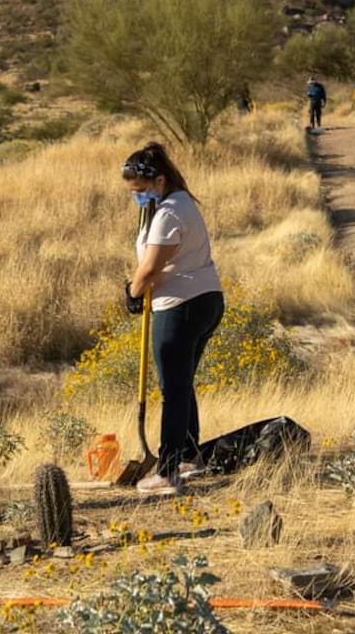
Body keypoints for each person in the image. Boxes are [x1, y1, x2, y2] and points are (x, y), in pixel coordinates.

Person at [122, 142, 224, 496]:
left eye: (140, 190)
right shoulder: (178, 203)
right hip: (205, 298)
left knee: (173, 389)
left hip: (180, 305)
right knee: (182, 383)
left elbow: (150, 267)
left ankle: (167, 472)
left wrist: (132, 292)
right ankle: (189, 456)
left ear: (159, 180)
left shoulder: (168, 213)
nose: (136, 197)